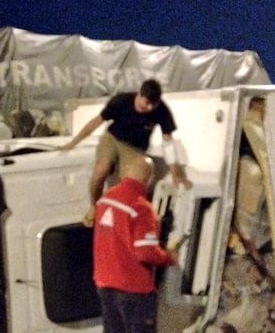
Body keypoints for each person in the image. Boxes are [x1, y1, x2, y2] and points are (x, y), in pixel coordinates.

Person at [93, 156, 179, 333]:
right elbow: (145, 252)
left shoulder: (106, 200)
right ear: (148, 178)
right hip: (133, 288)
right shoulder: (140, 207)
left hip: (106, 285)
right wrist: (167, 256)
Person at [60, 78, 191, 226]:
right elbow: (95, 122)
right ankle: (94, 206)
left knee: (129, 184)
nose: (148, 108)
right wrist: (73, 143)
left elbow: (168, 143)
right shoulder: (121, 101)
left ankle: (123, 219)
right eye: (146, 103)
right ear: (139, 95)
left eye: (152, 105)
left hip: (135, 148)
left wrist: (176, 174)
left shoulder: (161, 111)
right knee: (101, 171)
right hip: (112, 138)